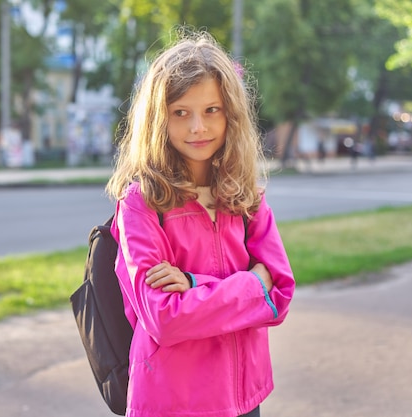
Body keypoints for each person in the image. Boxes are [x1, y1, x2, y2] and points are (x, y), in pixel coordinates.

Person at [106, 30, 295, 417]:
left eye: (212, 110)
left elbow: (280, 296)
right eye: (181, 112)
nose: (198, 127)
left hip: (244, 397)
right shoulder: (141, 203)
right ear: (160, 120)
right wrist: (252, 284)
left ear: (231, 114)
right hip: (173, 399)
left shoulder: (247, 198)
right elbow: (164, 319)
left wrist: (194, 284)